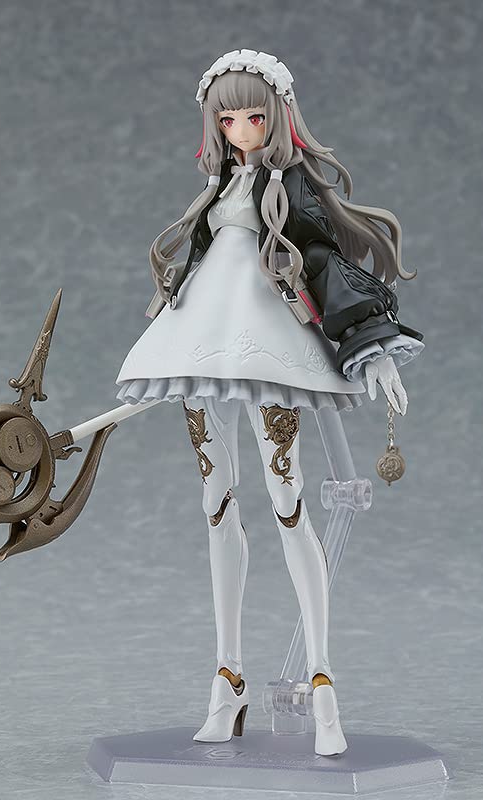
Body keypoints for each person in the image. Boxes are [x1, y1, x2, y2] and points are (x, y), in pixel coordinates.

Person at [115, 49, 424, 756]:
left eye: (254, 116)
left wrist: (371, 343)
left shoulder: (291, 188)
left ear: (278, 117)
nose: (241, 129)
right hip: (200, 344)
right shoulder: (218, 189)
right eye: (228, 119)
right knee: (215, 504)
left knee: (289, 505)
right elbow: (197, 260)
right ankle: (228, 679)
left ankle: (322, 680)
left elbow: (324, 261)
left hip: (263, 346)